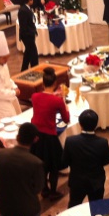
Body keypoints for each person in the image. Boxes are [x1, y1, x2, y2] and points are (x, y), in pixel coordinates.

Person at [30, 67, 70, 200]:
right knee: (53, 166)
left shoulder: (35, 96)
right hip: (49, 136)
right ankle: (53, 191)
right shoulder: (56, 101)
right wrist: (62, 100)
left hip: (36, 135)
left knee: (42, 164)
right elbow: (66, 119)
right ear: (55, 83)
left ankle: (44, 189)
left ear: (43, 83)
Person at [63, 109, 109, 207]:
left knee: (74, 207)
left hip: (77, 181)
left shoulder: (70, 141)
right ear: (96, 125)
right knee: (97, 209)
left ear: (80, 124)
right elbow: (106, 161)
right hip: (96, 181)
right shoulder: (102, 142)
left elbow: (65, 161)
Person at [18, 0, 39, 71]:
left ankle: (24, 70)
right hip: (27, 36)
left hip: (29, 35)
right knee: (34, 55)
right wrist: (30, 34)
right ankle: (35, 70)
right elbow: (23, 26)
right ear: (29, 0)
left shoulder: (27, 8)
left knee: (27, 54)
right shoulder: (23, 10)